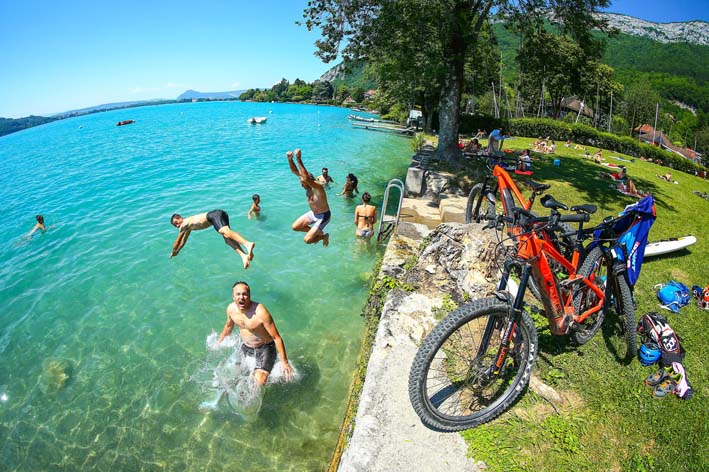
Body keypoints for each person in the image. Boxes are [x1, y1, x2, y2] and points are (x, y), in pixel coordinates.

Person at [218, 281, 294, 386]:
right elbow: (228, 326)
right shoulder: (231, 309)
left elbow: (276, 337)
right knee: (231, 375)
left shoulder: (261, 312)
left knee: (259, 382)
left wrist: (285, 362)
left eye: (244, 294)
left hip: (265, 348)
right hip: (246, 347)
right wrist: (219, 342)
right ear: (233, 296)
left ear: (249, 295)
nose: (241, 297)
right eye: (238, 294)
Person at [170, 210, 255, 269]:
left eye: (176, 223)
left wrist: (173, 251)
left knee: (225, 232)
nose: (177, 226)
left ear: (180, 217)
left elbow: (177, 241)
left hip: (214, 215)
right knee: (227, 239)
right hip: (218, 216)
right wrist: (178, 251)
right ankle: (243, 256)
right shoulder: (187, 227)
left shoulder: (184, 224)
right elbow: (183, 242)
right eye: (175, 225)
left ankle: (247, 244)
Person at [286, 148, 331, 246]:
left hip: (323, 216)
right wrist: (290, 159)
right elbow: (295, 171)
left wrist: (299, 159)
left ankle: (324, 236)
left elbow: (305, 178)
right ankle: (316, 233)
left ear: (309, 181)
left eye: (302, 183)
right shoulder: (307, 185)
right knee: (295, 227)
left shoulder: (317, 187)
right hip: (313, 213)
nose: (301, 184)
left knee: (307, 240)